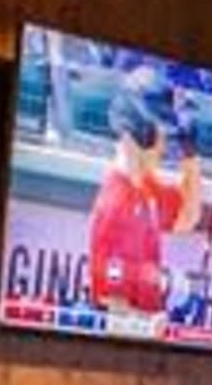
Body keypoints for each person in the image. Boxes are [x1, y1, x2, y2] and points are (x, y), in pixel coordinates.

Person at [86, 67, 202, 317]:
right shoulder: (116, 203)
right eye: (158, 134)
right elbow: (115, 310)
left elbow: (188, 217)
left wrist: (191, 156)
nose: (163, 146)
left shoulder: (145, 187)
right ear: (139, 132)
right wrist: (161, 325)